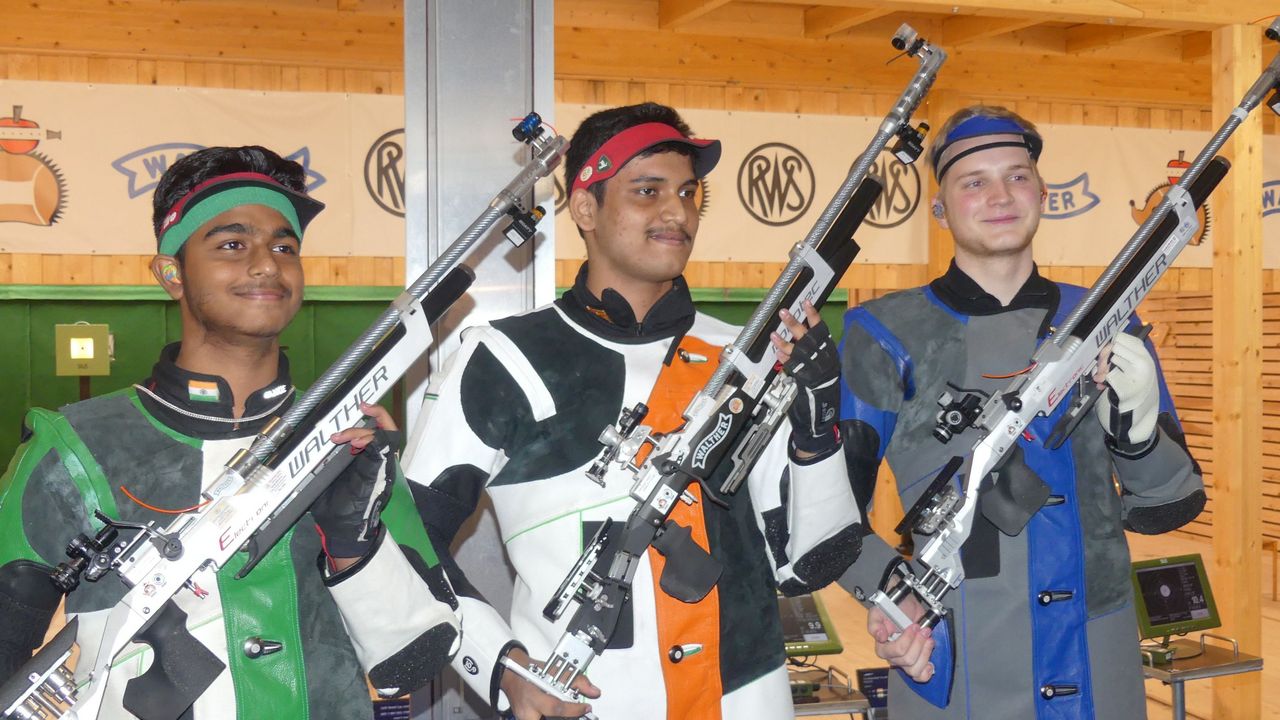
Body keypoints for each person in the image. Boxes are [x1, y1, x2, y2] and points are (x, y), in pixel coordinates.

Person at [401, 102, 863, 720]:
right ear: (586, 208)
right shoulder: (500, 357)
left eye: (689, 193)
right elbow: (404, 539)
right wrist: (504, 667)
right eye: (647, 191)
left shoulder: (747, 354)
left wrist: (816, 420)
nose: (677, 212)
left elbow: (811, 564)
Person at [0, 146, 460, 719]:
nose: (267, 263)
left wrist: (353, 544)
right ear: (171, 273)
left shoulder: (351, 446)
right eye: (232, 244)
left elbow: (412, 665)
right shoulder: (73, 446)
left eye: (284, 246)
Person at [835, 106, 1206, 719]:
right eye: (973, 181)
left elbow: (1165, 506)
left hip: (1097, 649)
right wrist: (896, 601)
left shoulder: (1107, 317)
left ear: (1042, 193)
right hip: (953, 651)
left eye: (1018, 176)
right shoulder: (883, 333)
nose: (1000, 195)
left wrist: (1137, 435)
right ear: (941, 209)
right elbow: (831, 513)